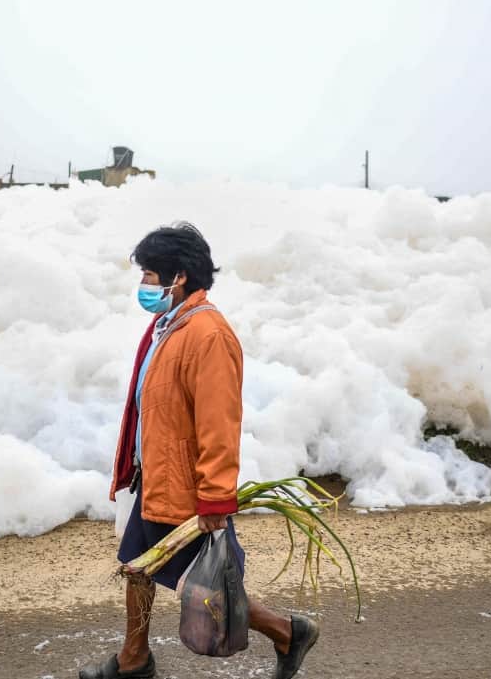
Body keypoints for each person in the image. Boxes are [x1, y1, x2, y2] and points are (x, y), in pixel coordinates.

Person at [79, 222, 320, 679]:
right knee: (139, 568)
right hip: (155, 475)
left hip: (186, 485)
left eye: (150, 275)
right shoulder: (168, 326)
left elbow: (219, 424)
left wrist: (214, 498)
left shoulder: (208, 334)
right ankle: (134, 660)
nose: (144, 286)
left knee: (209, 588)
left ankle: (289, 632)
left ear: (180, 277)